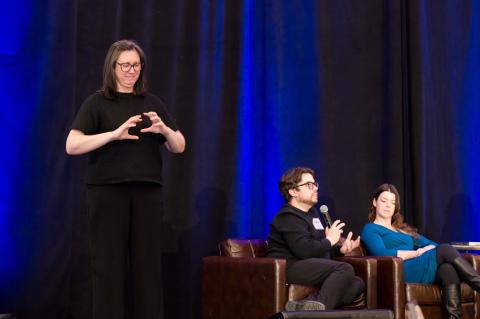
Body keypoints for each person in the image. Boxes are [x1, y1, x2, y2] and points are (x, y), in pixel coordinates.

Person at [66, 39, 185, 319]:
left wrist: (164, 129)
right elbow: (72, 145)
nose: (131, 70)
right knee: (108, 266)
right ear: (113, 67)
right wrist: (113, 134)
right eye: (125, 65)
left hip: (147, 192)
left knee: (147, 267)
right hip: (107, 192)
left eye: (136, 64)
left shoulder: (152, 102)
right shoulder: (98, 102)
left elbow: (179, 146)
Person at [361, 184, 480, 319]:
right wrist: (417, 253)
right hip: (401, 270)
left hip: (418, 265)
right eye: (384, 201)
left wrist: (427, 249)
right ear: (375, 202)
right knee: (445, 249)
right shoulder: (370, 229)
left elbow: (433, 245)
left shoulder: (403, 230)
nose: (388, 205)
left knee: (447, 269)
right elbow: (382, 253)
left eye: (392, 202)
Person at [266, 167, 365, 311]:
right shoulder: (287, 216)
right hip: (289, 266)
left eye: (315, 184)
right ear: (293, 191)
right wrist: (330, 240)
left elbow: (318, 246)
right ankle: (317, 309)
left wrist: (339, 250)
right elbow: (304, 250)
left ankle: (308, 305)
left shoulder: (312, 214)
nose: (315, 188)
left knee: (357, 283)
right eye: (308, 185)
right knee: (345, 268)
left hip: (308, 263)